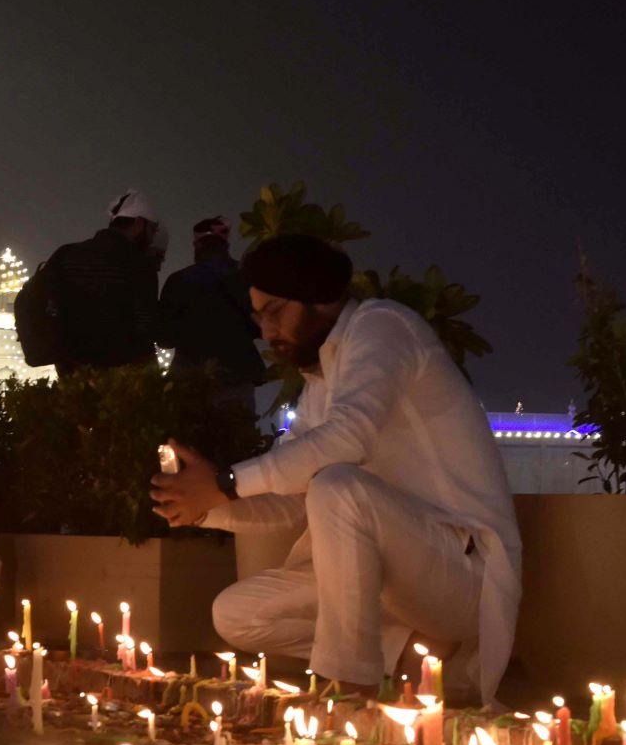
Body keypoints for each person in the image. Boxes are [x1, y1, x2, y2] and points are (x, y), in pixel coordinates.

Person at [149, 233, 521, 706]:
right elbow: (290, 502)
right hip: (395, 580)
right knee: (237, 613)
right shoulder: (321, 380)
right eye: (258, 315)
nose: (265, 331)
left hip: (461, 574)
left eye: (275, 312)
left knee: (337, 484)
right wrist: (205, 507)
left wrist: (226, 483)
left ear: (318, 299)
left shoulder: (383, 327)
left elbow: (350, 436)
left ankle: (350, 690)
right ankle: (410, 653)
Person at [44, 189, 163, 377]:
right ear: (140, 223)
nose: (152, 237)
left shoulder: (65, 254)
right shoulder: (138, 265)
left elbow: (47, 309)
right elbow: (145, 329)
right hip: (119, 388)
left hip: (72, 380)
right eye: (153, 230)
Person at [157, 216, 265, 414]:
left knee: (186, 441)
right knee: (236, 440)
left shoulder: (179, 281)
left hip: (188, 379)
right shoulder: (246, 277)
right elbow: (262, 326)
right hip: (237, 377)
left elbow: (165, 338)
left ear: (196, 245)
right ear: (226, 244)